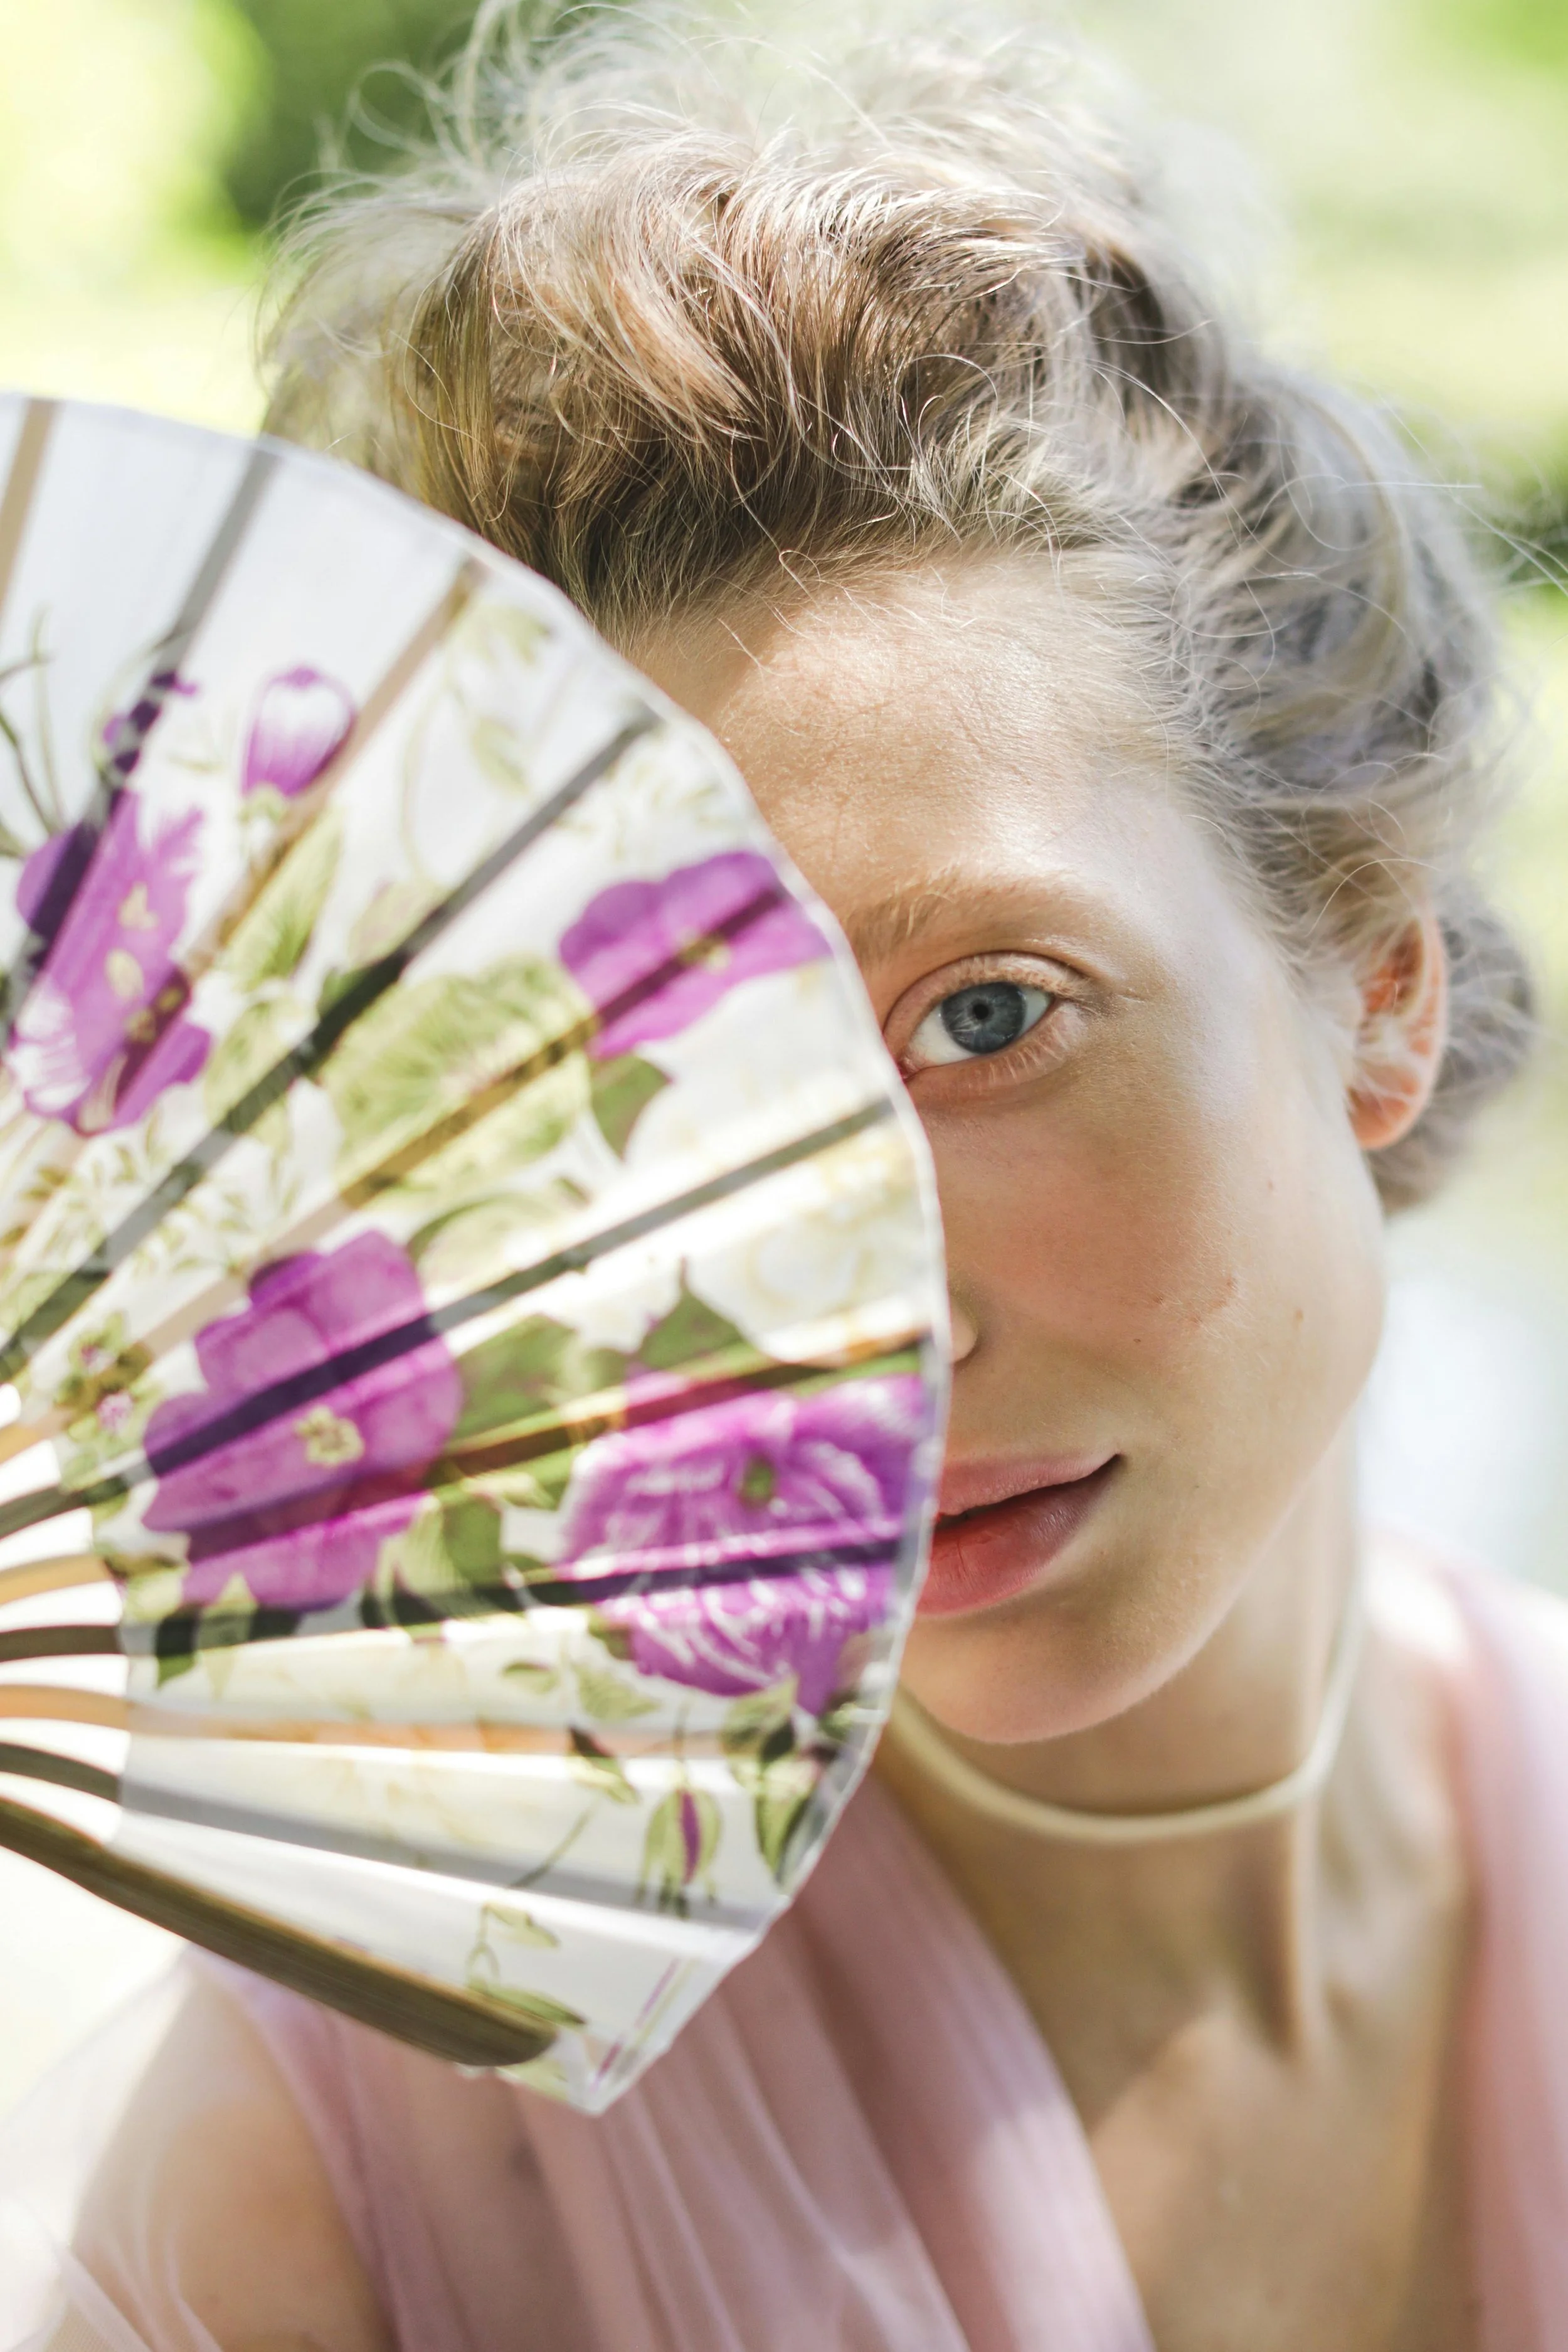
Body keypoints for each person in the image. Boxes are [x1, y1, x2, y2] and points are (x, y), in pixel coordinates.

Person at [2, 8, 1561, 2347]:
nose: (856, 1310)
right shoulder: (336, 2186)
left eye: (988, 1016)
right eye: (662, 1085)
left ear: (1377, 988)